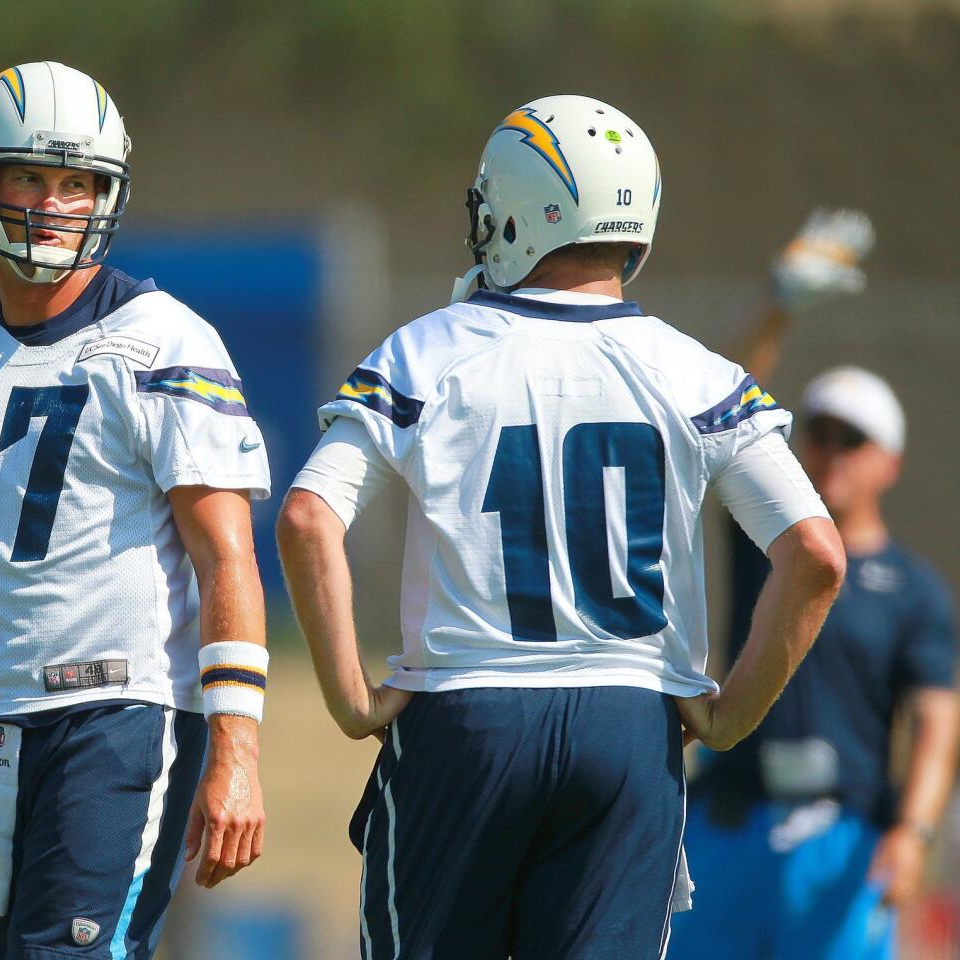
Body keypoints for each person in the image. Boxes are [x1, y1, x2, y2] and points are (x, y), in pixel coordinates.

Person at [277, 95, 847, 959]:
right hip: (629, 730)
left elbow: (307, 516)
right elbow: (814, 554)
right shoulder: (694, 371)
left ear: (517, 208)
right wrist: (728, 716)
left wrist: (351, 696)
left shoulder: (430, 350)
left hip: (465, 721)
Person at [0, 61, 271, 960]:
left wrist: (238, 748)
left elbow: (228, 560)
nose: (52, 203)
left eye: (79, 183)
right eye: (29, 176)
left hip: (124, 713)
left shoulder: (163, 342)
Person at [670, 211, 958, 960]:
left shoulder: (915, 592)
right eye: (818, 432)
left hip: (843, 840)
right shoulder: (769, 536)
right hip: (727, 823)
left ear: (888, 462)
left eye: (850, 438)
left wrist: (914, 831)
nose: (829, 450)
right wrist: (779, 302)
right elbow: (722, 409)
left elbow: (935, 722)